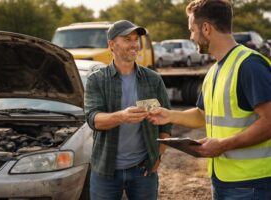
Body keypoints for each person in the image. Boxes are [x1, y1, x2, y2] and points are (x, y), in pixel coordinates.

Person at [148, 0, 271, 199]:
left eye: (191, 30)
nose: (191, 36)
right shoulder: (214, 71)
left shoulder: (249, 65)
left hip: (252, 184)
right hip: (222, 180)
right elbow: (202, 115)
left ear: (206, 28)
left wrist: (223, 145)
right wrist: (168, 116)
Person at [84, 20, 172, 200]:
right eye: (127, 39)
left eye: (136, 39)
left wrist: (158, 157)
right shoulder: (96, 80)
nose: (134, 44)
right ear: (111, 45)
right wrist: (122, 117)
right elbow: (93, 119)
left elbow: (166, 124)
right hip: (105, 170)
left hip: (143, 169)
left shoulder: (153, 79)